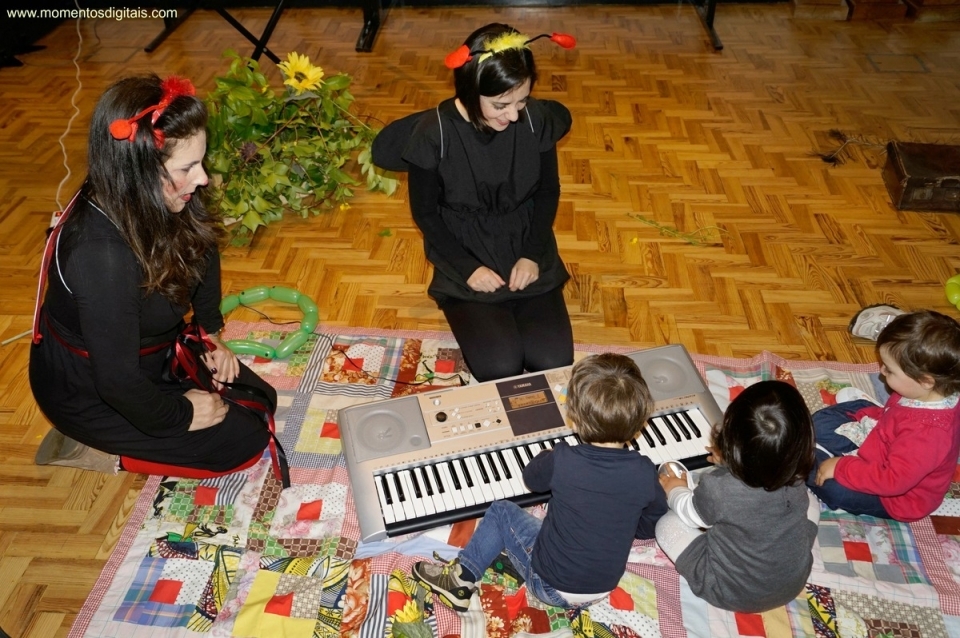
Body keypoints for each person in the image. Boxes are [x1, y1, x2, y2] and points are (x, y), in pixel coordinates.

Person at [29, 74, 275, 476]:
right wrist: (179, 414)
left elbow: (203, 248)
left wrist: (211, 335)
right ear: (138, 171)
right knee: (243, 441)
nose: (203, 178)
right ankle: (92, 450)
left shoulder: (164, 194)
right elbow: (116, 381)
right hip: (92, 388)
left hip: (150, 355)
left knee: (260, 400)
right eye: (188, 167)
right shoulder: (100, 256)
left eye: (202, 161)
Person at [411, 353, 668, 611]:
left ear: (574, 418)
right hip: (602, 588)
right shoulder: (644, 472)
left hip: (549, 585)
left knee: (502, 511)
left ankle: (460, 579)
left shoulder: (564, 460)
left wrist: (550, 455)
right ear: (640, 424)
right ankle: (510, 556)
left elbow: (531, 479)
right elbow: (648, 527)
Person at [399, 23, 577, 382]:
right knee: (499, 367)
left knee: (553, 361)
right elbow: (426, 213)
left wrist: (531, 253)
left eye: (521, 100)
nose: (513, 115)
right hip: (464, 249)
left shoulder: (535, 119)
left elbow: (548, 191)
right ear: (469, 89)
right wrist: (468, 269)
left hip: (524, 240)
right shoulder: (434, 134)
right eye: (501, 104)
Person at [656, 380, 819, 613]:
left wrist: (676, 489)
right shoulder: (795, 472)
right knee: (811, 502)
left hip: (732, 592)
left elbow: (691, 515)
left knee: (667, 525)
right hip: (791, 583)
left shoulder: (719, 488)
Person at [809, 310, 960, 521]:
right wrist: (868, 416)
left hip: (894, 496)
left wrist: (842, 467)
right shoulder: (923, 391)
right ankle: (819, 448)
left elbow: (891, 481)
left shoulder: (927, 435)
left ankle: (807, 456)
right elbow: (891, 413)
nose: (881, 371)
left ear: (926, 381)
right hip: (880, 439)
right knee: (818, 424)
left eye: (889, 370)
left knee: (833, 488)